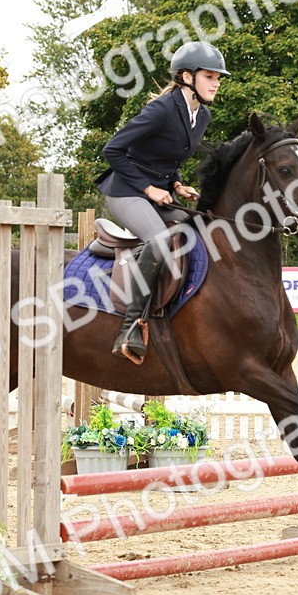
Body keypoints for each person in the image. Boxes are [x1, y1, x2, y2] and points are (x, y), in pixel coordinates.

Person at [97, 40, 228, 362]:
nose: (216, 83)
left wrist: (177, 184)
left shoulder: (202, 115)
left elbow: (170, 158)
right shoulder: (161, 110)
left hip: (159, 194)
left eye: (218, 78)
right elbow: (112, 151)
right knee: (158, 240)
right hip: (126, 191)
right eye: (209, 76)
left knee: (199, 228)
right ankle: (129, 328)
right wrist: (149, 189)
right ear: (187, 77)